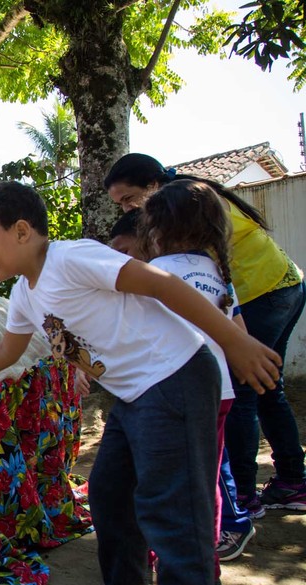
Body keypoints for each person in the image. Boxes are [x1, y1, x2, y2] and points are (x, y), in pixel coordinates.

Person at [0, 181, 280, 585]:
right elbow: (7, 350)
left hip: (174, 377)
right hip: (134, 394)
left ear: (21, 232)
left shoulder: (72, 259)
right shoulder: (25, 293)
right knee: (108, 495)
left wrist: (235, 342)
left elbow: (162, 284)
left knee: (171, 513)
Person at [105, 154, 306, 515]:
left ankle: (242, 498)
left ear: (153, 186)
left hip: (264, 289)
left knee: (245, 387)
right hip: (282, 283)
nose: (128, 208)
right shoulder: (193, 199)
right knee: (264, 386)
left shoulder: (182, 212)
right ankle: (291, 480)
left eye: (128, 198)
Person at [109, 207, 256, 563]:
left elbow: (129, 332)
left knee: (159, 481)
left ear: (154, 233)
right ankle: (209, 565)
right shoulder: (220, 276)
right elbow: (241, 337)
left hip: (170, 391)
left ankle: (165, 556)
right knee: (204, 483)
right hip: (220, 391)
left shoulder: (157, 274)